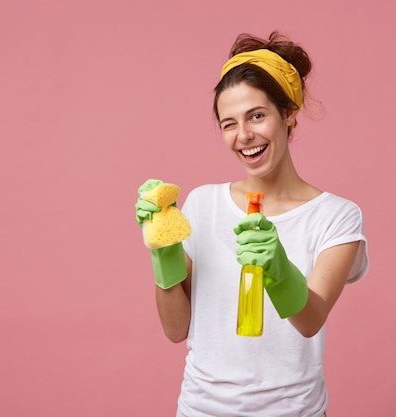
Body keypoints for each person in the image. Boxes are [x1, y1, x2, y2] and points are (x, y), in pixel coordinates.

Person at [135, 31, 369, 417]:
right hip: (201, 409)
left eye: (257, 116)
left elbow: (310, 321)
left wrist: (278, 266)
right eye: (229, 123)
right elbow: (176, 330)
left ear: (288, 114)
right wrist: (164, 252)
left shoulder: (336, 216)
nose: (244, 136)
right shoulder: (202, 203)